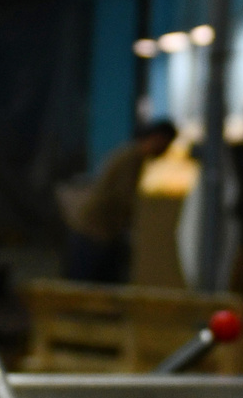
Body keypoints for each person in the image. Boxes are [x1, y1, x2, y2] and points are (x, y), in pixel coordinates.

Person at [61, 119, 176, 284]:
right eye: (166, 144)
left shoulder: (134, 157)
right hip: (95, 232)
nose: (166, 150)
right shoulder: (131, 159)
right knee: (86, 288)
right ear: (158, 138)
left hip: (102, 232)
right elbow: (124, 198)